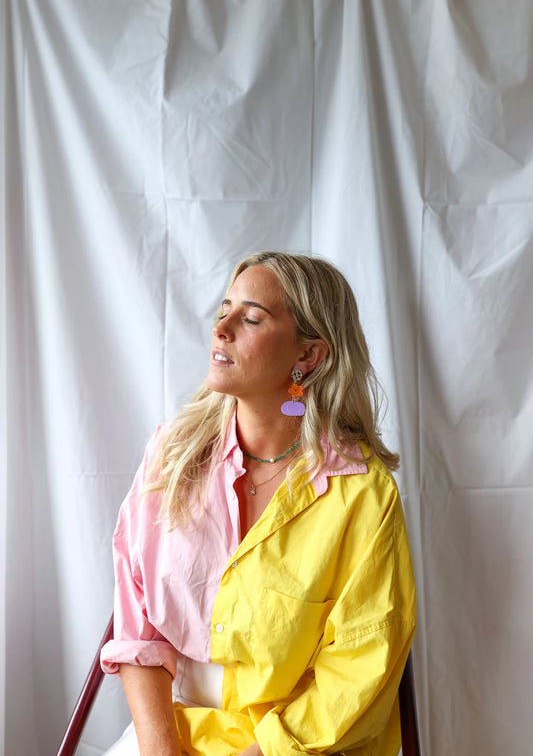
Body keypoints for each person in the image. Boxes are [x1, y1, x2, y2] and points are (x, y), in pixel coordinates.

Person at [100, 251, 416, 756]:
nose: (220, 329)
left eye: (250, 318)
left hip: (304, 745)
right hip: (181, 733)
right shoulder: (172, 456)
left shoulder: (363, 494)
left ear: (308, 356)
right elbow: (138, 625)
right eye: (224, 310)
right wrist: (160, 749)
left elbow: (359, 670)